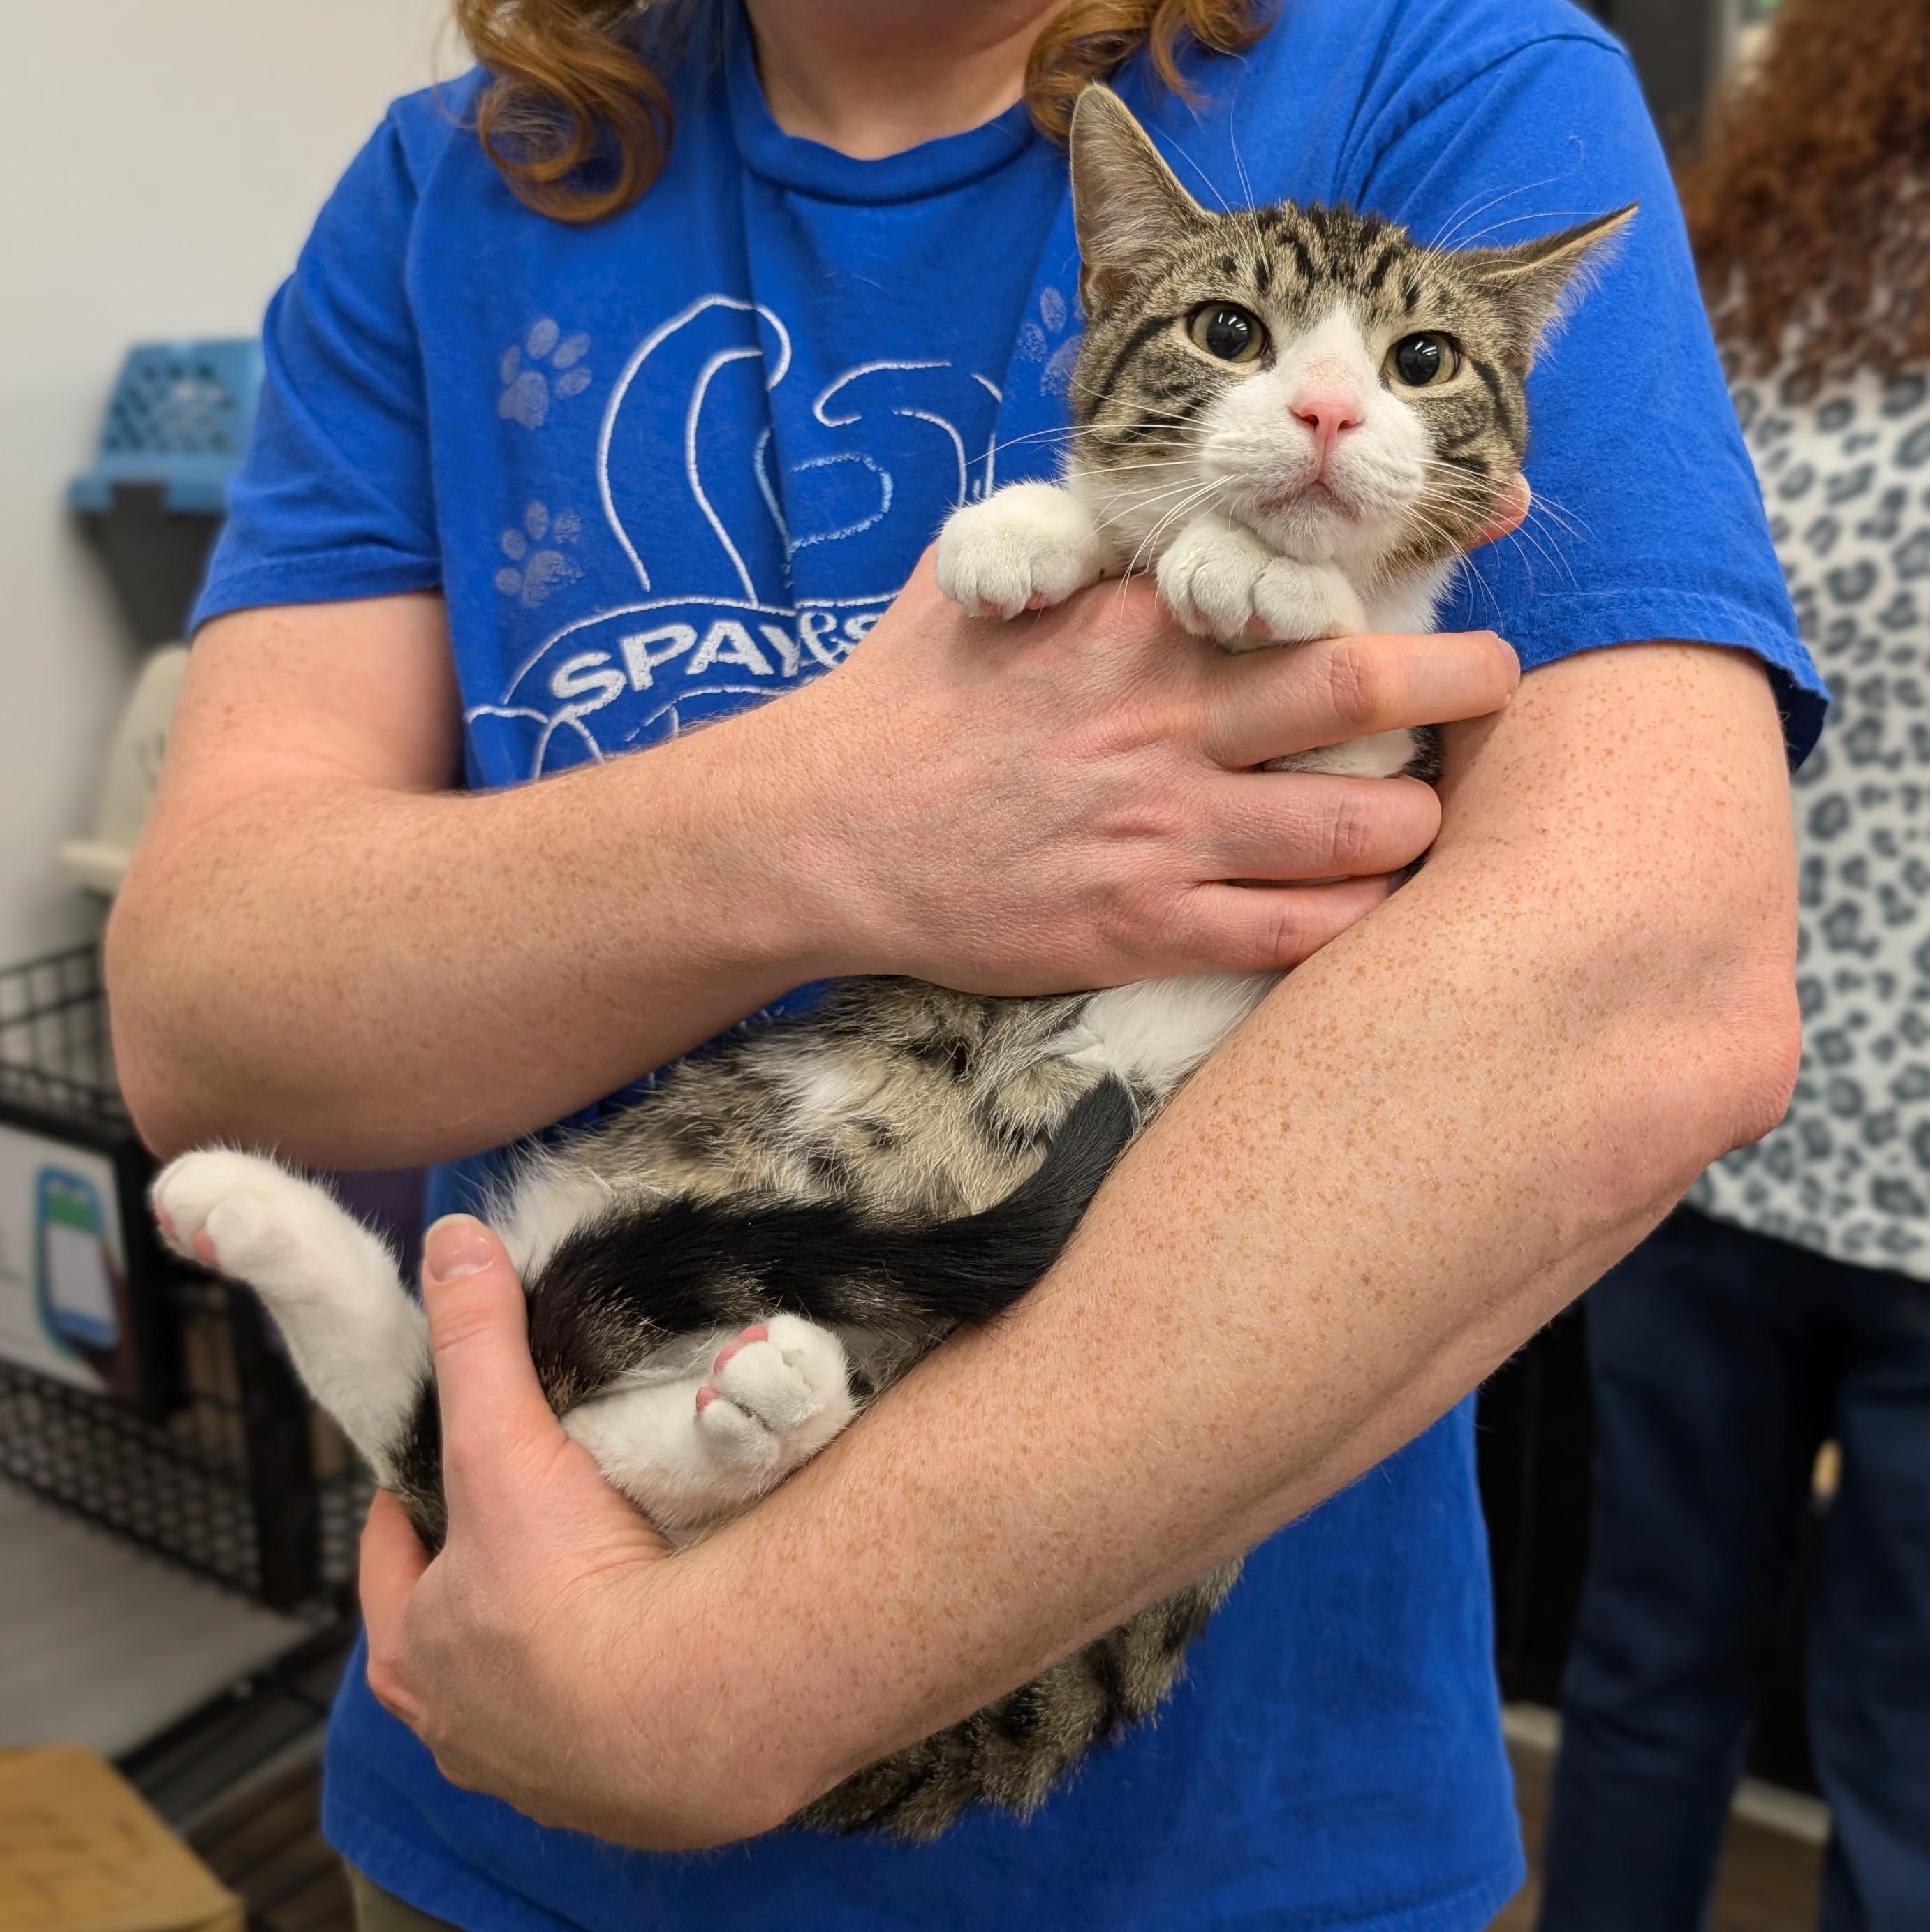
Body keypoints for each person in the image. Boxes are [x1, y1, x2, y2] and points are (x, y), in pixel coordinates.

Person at [105, 0, 1819, 1926]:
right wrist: (842, 823)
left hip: (1221, 1858)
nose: (1334, 400)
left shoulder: (1454, 79)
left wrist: (729, 1676)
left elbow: (1641, 986)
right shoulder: (442, 189)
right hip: (480, 1808)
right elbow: (200, 1024)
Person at [1537, 2, 1930, 1926]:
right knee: (1902, 1743)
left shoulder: (1738, 302)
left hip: (1702, 1120)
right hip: (1827, 1157)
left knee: (1642, 1675)